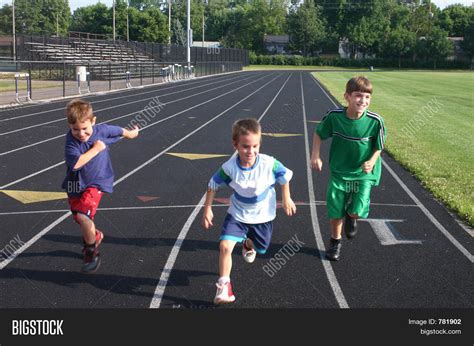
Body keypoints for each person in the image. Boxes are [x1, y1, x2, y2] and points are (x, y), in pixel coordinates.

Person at [201, 118, 296, 305]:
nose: (250, 151)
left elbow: (284, 176)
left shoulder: (269, 163)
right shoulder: (229, 168)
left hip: (262, 215)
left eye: (255, 146)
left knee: (261, 248)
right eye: (245, 147)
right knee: (225, 246)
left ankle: (248, 244)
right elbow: (212, 185)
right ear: (235, 145)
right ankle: (224, 286)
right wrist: (207, 209)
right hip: (237, 213)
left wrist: (286, 198)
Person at [310, 76, 386, 261]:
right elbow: (319, 134)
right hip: (340, 172)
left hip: (363, 174)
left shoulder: (375, 121)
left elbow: (379, 145)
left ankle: (352, 216)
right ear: (347, 96)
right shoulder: (334, 117)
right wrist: (315, 155)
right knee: (335, 210)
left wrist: (373, 160)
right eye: (358, 96)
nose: (363, 101)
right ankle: (335, 242)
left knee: (356, 210)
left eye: (367, 97)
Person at [62, 99, 139, 273]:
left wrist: (132, 133)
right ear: (69, 126)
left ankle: (91, 252)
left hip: (96, 182)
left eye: (85, 129)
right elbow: (76, 164)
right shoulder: (71, 142)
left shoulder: (102, 130)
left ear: (93, 121)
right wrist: (96, 149)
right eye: (75, 129)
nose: (81, 134)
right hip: (75, 183)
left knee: (83, 216)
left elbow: (119, 131)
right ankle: (95, 236)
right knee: (78, 217)